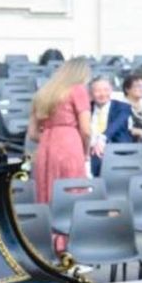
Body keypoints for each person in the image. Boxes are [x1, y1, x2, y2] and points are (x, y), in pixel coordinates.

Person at [27, 57, 91, 204]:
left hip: (45, 146)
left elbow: (32, 134)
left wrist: (50, 139)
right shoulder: (78, 90)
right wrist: (86, 152)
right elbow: (86, 130)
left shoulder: (42, 93)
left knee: (45, 191)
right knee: (72, 192)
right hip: (70, 144)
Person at [88, 77, 133, 178]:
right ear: (90, 93)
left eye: (106, 90)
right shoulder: (86, 108)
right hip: (91, 149)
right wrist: (93, 143)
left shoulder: (122, 107)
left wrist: (102, 138)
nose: (102, 94)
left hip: (117, 148)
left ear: (111, 90)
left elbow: (116, 125)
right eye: (98, 91)